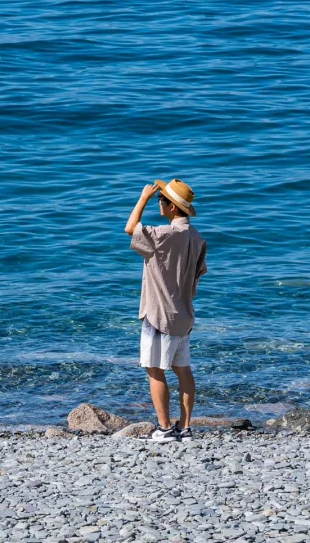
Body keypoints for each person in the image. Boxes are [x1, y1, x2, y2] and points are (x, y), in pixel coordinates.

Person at [124, 177, 207, 442]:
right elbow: (198, 274)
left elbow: (130, 228)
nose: (159, 203)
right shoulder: (197, 237)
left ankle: (164, 428)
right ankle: (184, 427)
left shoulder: (164, 234)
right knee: (183, 370)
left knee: (154, 369)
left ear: (172, 207)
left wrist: (143, 197)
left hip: (160, 313)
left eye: (162, 200)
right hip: (184, 314)